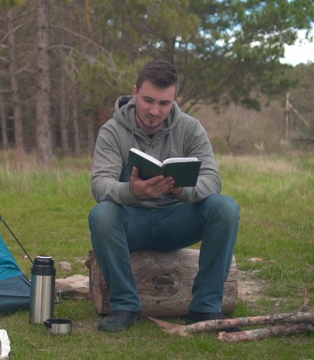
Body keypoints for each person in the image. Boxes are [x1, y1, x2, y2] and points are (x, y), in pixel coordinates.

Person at [88, 60, 240, 332]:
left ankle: (205, 309)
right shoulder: (112, 131)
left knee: (225, 208)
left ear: (173, 100)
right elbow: (100, 184)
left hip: (177, 219)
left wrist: (183, 189)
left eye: (164, 103)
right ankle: (125, 307)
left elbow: (213, 180)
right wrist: (132, 191)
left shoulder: (191, 128)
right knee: (102, 214)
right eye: (148, 100)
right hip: (132, 221)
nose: (154, 111)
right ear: (135, 92)